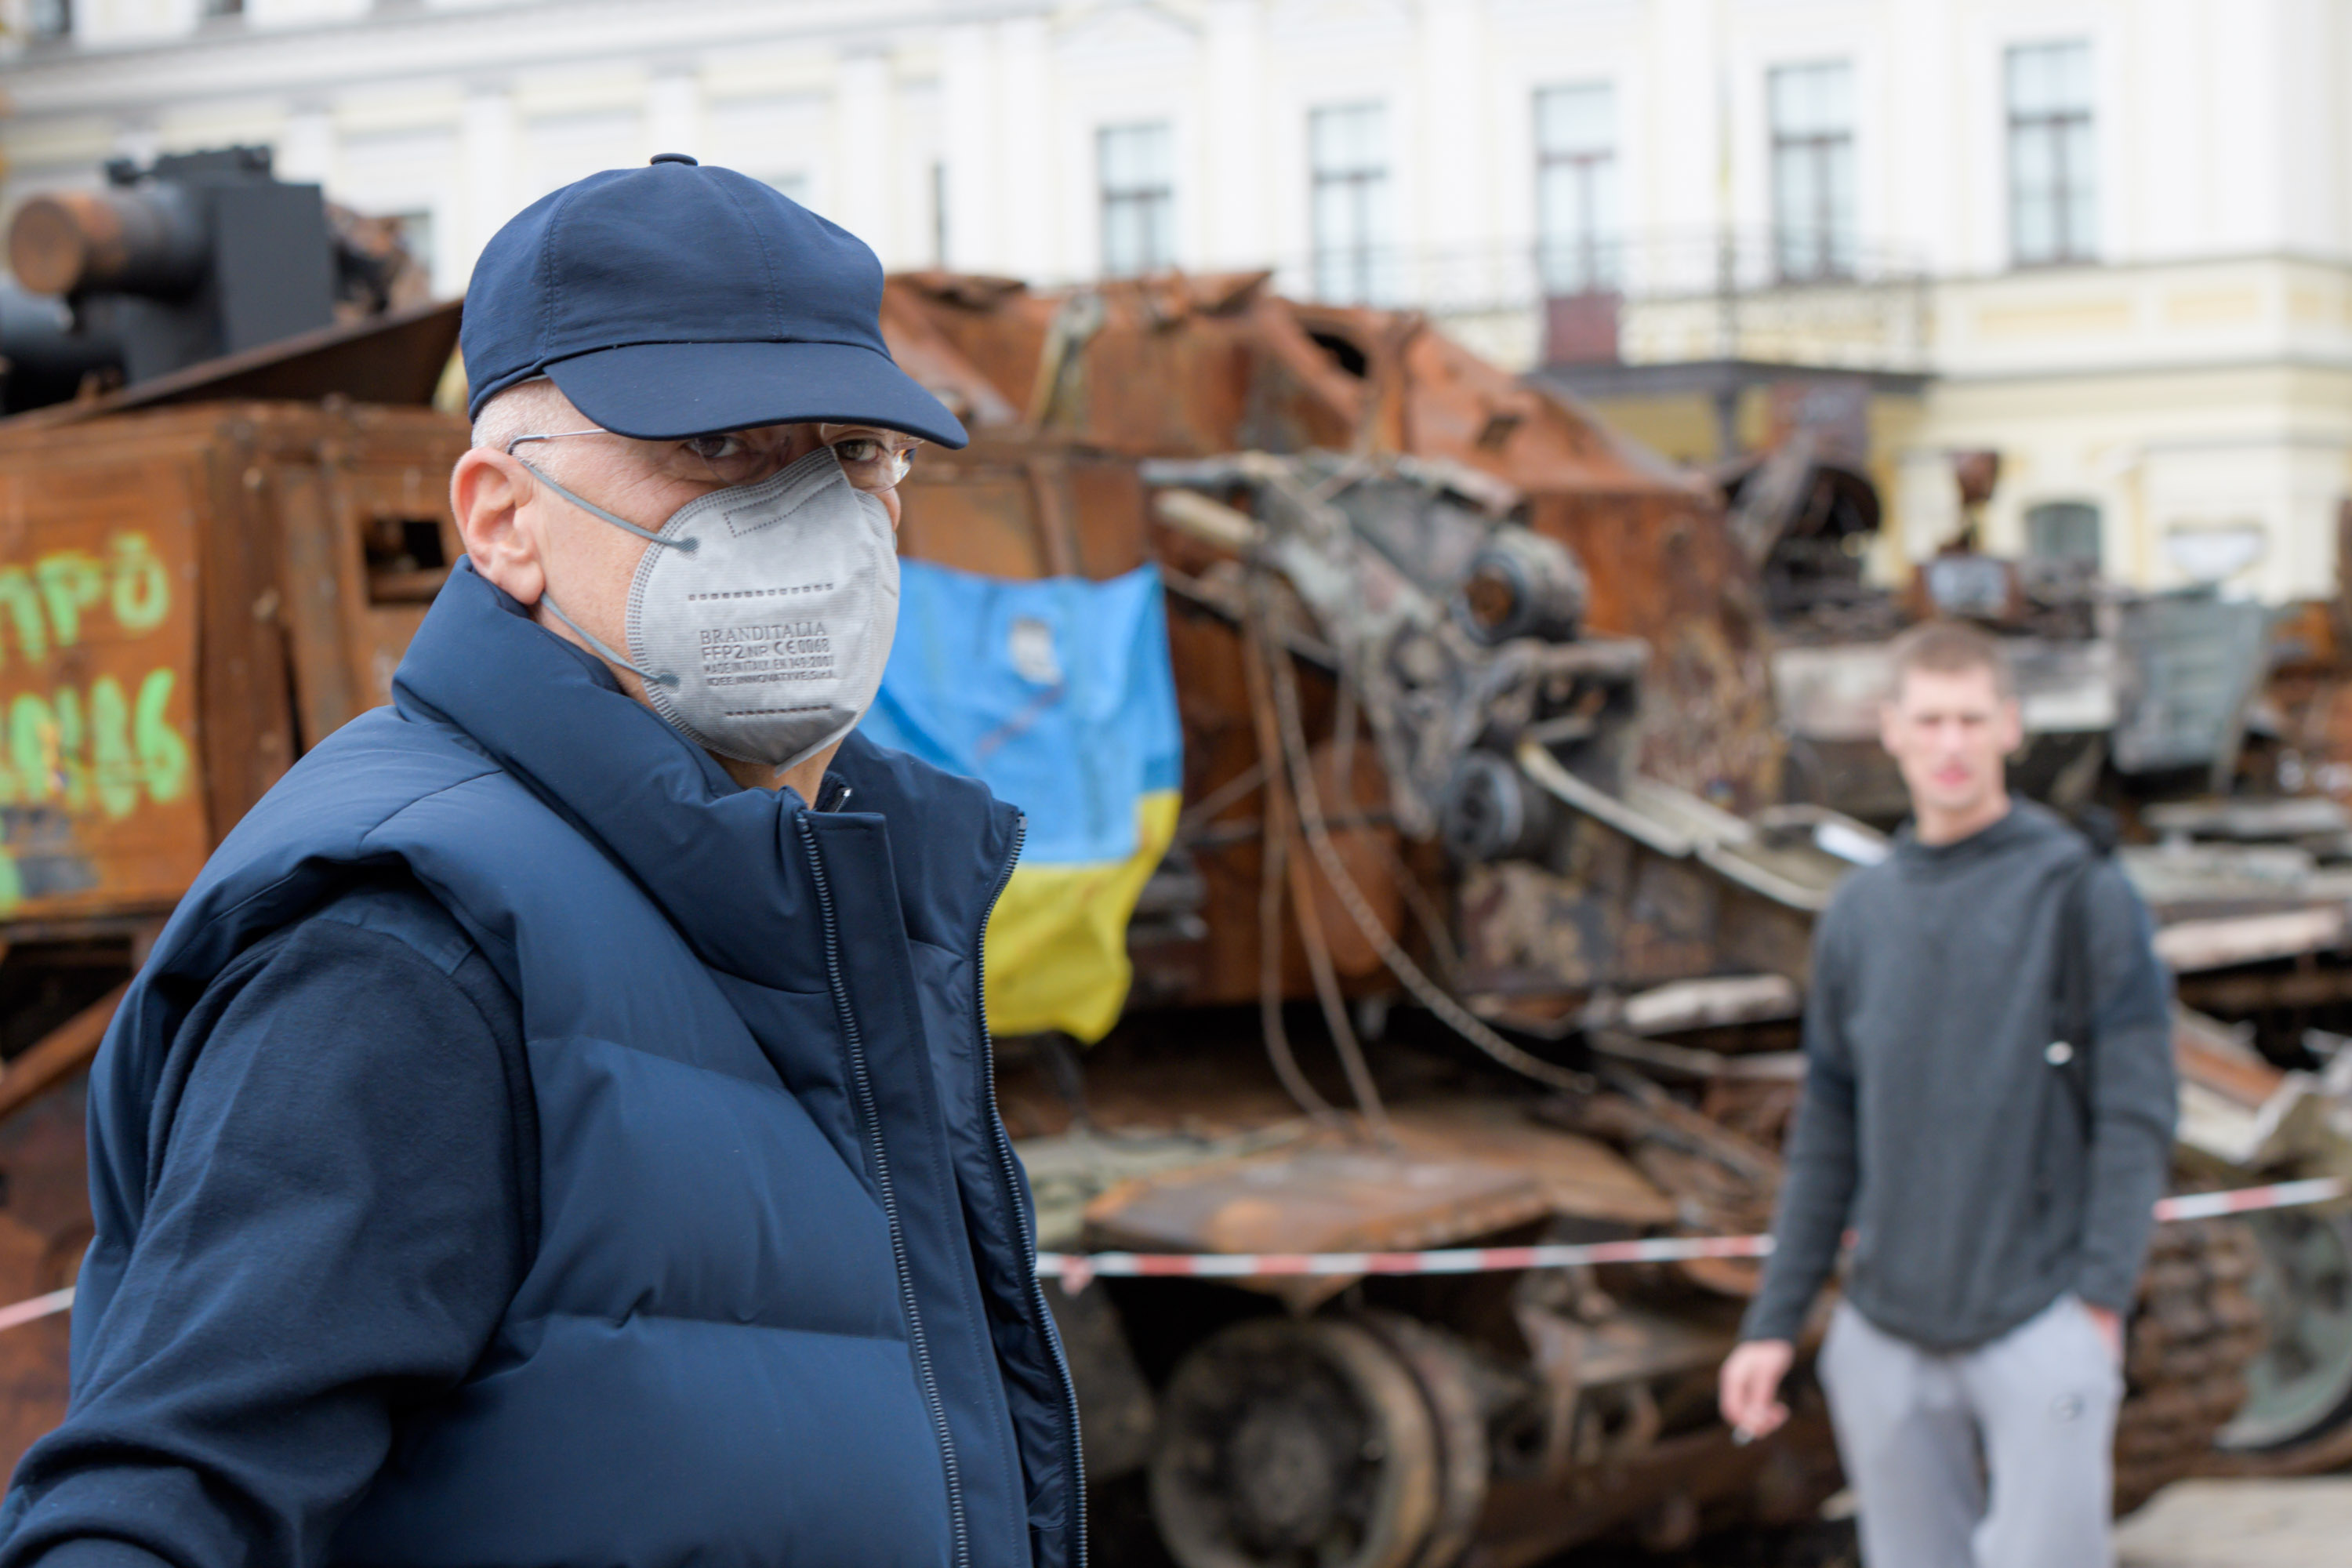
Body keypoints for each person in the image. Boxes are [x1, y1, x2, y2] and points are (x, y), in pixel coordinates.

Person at [0, 156, 1080, 1568]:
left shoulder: (826, 885)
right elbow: (155, 1513)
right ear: (502, 518)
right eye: (721, 450)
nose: (814, 514)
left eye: (855, 453)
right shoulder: (406, 951)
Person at [1718, 619, 2174, 1568]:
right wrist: (1773, 1322)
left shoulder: (2079, 892)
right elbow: (1828, 1131)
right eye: (1929, 720)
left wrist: (2100, 1298)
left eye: (1971, 718)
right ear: (1891, 728)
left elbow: (2137, 1109)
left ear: (2011, 725)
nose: (1951, 744)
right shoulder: (1860, 913)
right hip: (1885, 1330)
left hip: (2043, 1316)